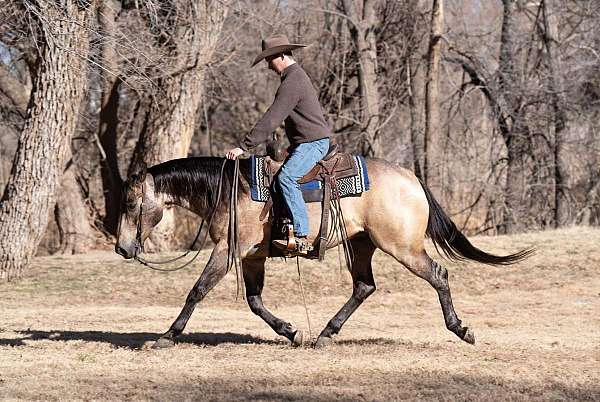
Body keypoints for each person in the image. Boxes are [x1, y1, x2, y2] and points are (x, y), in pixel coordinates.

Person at [225, 34, 331, 255]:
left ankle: (301, 236)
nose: (268, 66)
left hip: (313, 144)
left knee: (287, 178)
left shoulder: (293, 81)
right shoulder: (293, 78)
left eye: (269, 60)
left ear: (281, 55)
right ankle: (284, 228)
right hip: (305, 143)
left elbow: (272, 118)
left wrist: (244, 146)